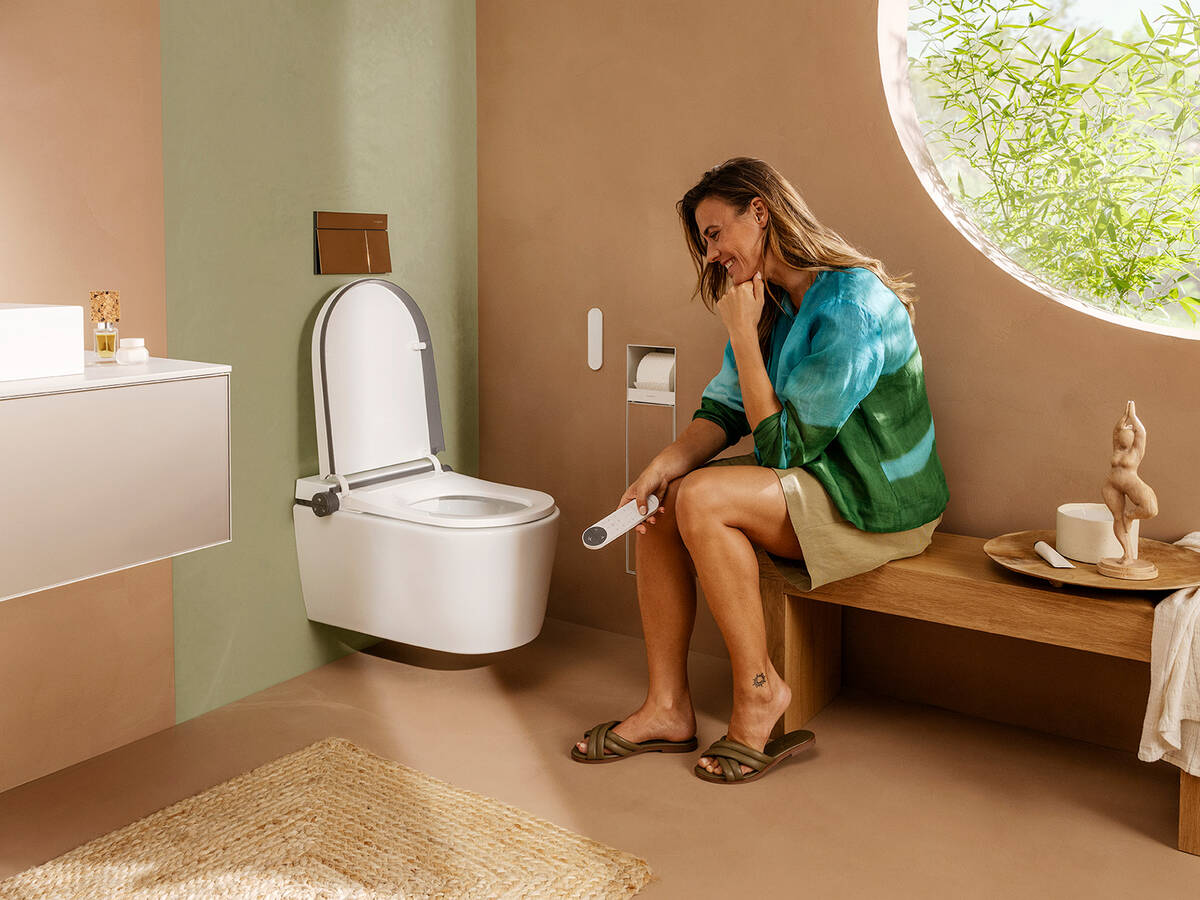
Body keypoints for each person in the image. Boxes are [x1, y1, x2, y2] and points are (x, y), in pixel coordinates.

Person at [571, 157, 950, 783]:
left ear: (760, 211)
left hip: (878, 502)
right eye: (705, 242)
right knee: (663, 502)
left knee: (703, 499)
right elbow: (724, 410)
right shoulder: (770, 301)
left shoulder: (852, 304)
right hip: (820, 477)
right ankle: (667, 707)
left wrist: (744, 339)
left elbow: (783, 447)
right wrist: (659, 468)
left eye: (715, 233)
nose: (711, 253)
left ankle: (759, 692)